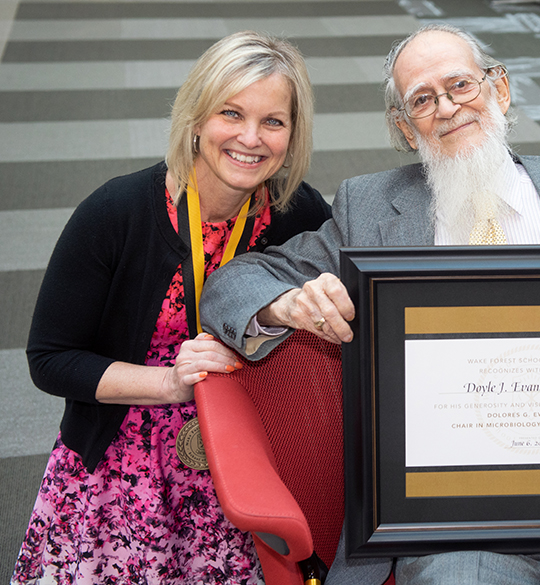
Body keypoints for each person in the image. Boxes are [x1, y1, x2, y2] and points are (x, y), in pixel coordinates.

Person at [199, 24, 540, 585]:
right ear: (404, 126)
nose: (447, 108)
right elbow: (237, 281)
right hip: (451, 513)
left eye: (461, 85)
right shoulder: (369, 209)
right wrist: (287, 304)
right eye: (423, 99)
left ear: (501, 89)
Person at [12, 31, 331, 584]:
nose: (250, 139)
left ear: (293, 134)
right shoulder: (116, 212)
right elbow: (50, 358)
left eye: (273, 122)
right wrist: (169, 385)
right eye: (231, 113)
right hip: (127, 456)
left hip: (249, 455)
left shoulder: (298, 211)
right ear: (196, 118)